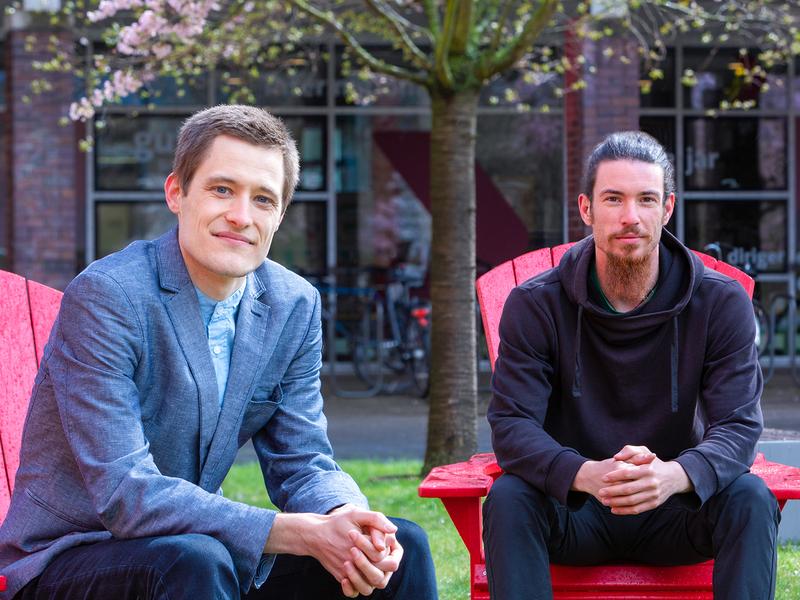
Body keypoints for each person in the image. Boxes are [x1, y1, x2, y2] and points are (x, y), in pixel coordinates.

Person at [0, 105, 437, 600]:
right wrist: (299, 533)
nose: (240, 216)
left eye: (263, 199)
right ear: (176, 193)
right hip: (70, 555)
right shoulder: (109, 297)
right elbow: (126, 494)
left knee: (408, 548)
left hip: (196, 553)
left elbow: (302, 459)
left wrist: (347, 521)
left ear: (279, 216)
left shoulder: (293, 305)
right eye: (222, 189)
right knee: (197, 559)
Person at [483, 131, 779, 600]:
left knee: (751, 498)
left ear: (667, 209)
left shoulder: (719, 302)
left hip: (677, 508)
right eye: (613, 199)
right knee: (509, 498)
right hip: (576, 509)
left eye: (645, 200)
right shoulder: (536, 304)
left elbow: (739, 426)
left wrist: (673, 476)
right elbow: (512, 425)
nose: (630, 217)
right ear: (586, 209)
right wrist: (584, 474)